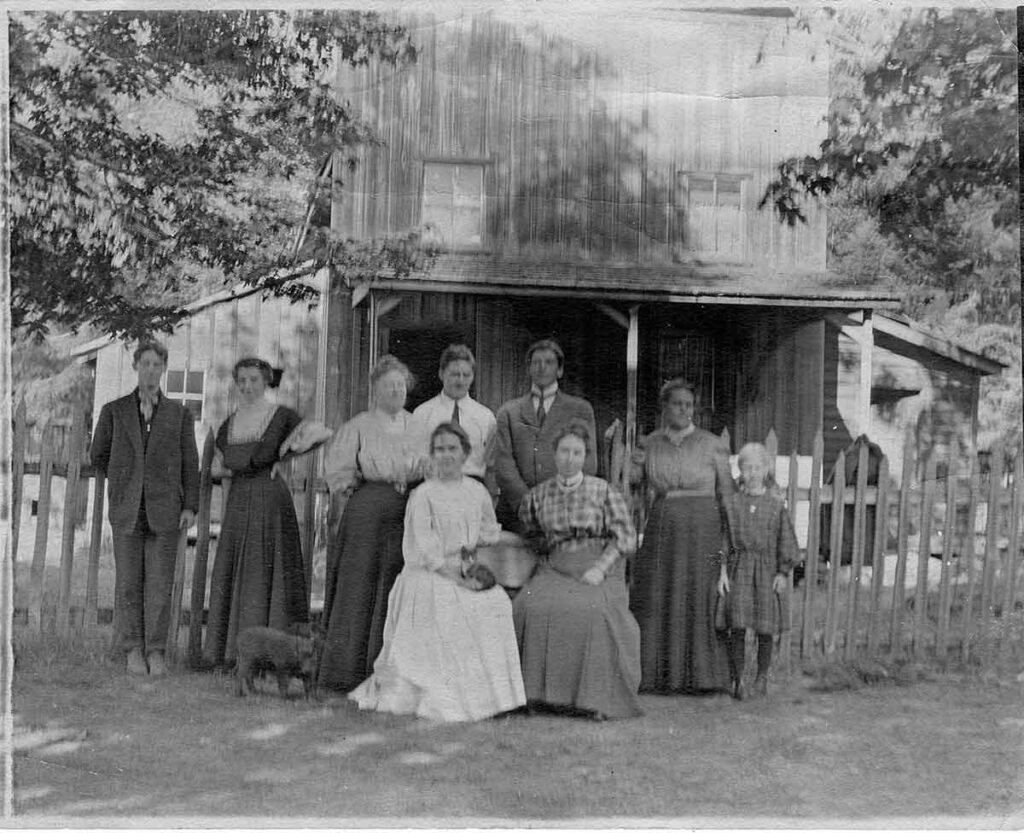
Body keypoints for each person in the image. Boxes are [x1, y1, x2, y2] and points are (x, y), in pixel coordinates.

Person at [349, 422, 526, 722]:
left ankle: (491, 698)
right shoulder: (423, 494)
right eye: (439, 449)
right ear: (432, 455)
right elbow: (425, 549)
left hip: (464, 568)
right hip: (427, 572)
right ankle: (447, 698)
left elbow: (487, 531)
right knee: (449, 604)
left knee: (495, 603)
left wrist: (472, 566)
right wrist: (457, 579)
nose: (446, 455)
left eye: (452, 449)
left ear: (465, 453)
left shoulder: (477, 491)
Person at [513, 420, 641, 719]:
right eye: (564, 451)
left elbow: (626, 537)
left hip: (598, 566)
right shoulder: (538, 495)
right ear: (554, 453)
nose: (570, 459)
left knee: (592, 610)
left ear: (586, 456)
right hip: (555, 567)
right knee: (527, 606)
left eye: (577, 452)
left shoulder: (603, 491)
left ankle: (592, 700)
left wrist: (600, 568)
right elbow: (530, 532)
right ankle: (533, 696)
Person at [318, 355, 429, 693]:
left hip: (407, 511)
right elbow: (339, 473)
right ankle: (348, 670)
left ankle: (393, 672)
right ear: (375, 390)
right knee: (360, 584)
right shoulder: (359, 426)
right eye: (388, 386)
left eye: (400, 385)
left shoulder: (420, 426)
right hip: (367, 513)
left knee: (398, 584)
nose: (395, 391)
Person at [89, 340, 200, 677]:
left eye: (157, 364)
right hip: (127, 510)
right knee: (128, 584)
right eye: (146, 364)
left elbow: (190, 463)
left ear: (164, 369)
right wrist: (125, 480)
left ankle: (156, 651)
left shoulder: (179, 415)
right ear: (136, 367)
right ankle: (133, 650)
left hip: (165, 511)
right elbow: (98, 455)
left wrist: (190, 506)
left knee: (160, 586)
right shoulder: (114, 411)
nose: (151, 370)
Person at [201, 358, 312, 669]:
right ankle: (235, 653)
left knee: (269, 570)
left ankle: (277, 656)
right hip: (239, 499)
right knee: (240, 570)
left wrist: (284, 459)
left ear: (266, 381)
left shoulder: (281, 416)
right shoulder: (229, 424)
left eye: (253, 379)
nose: (247, 386)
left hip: (270, 499)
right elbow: (219, 466)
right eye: (242, 381)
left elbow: (318, 434)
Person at [629, 378, 735, 694]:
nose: (684, 410)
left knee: (701, 594)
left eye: (689, 405)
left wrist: (730, 541)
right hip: (663, 527)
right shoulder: (649, 443)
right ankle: (658, 677)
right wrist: (626, 457)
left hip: (704, 529)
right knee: (659, 595)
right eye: (677, 403)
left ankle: (703, 678)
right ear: (664, 407)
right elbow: (632, 486)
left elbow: (727, 493)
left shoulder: (712, 444)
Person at [717, 442, 798, 700]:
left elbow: (786, 540)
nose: (752, 473)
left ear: (766, 470)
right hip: (739, 569)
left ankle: (762, 677)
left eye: (757, 468)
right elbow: (724, 541)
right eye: (747, 468)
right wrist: (722, 572)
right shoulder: (732, 504)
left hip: (766, 570)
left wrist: (782, 573)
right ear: (740, 471)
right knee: (737, 625)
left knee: (765, 626)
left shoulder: (776, 505)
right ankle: (738, 678)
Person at [494, 339, 597, 533]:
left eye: (549, 362)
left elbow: (588, 463)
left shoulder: (580, 409)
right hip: (517, 514)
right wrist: (529, 504)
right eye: (536, 362)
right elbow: (503, 464)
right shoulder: (508, 412)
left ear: (560, 370)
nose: (542, 368)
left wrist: (558, 505)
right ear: (529, 369)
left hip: (565, 511)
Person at [412, 344, 496, 486]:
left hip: (473, 488)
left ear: (473, 377)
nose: (461, 381)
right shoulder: (423, 413)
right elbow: (415, 459)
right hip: (434, 487)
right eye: (455, 374)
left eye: (466, 375)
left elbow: (492, 463)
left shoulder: (486, 417)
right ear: (441, 374)